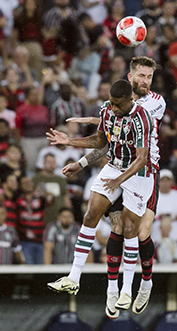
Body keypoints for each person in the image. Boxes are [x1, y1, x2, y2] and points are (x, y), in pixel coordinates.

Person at [50, 58, 166, 317]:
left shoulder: (154, 105)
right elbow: (107, 136)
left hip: (143, 170)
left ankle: (144, 283)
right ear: (131, 76)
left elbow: (136, 145)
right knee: (108, 222)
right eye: (141, 76)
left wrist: (93, 118)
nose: (145, 80)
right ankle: (109, 289)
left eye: (149, 76)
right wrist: (73, 144)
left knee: (138, 231)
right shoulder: (111, 107)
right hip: (116, 165)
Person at [153, 170, 177, 242]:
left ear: (171, 182)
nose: (165, 183)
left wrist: (175, 217)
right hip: (157, 230)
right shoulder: (153, 195)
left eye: (167, 181)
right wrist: (159, 217)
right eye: (162, 180)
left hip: (175, 229)